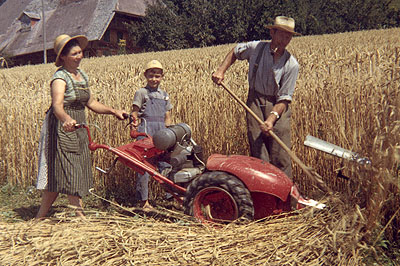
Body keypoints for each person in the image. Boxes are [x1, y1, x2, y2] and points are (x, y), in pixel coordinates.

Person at [35, 34, 128, 219]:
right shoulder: (60, 78)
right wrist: (66, 119)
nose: (79, 56)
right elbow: (57, 106)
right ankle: (80, 216)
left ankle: (40, 217)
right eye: (75, 54)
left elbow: (91, 102)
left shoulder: (81, 75)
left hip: (79, 124)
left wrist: (113, 110)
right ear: (63, 57)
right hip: (62, 126)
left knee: (61, 173)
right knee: (72, 170)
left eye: (80, 52)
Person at [212, 16, 301, 178]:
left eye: (288, 37)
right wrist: (221, 70)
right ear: (272, 33)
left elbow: (284, 99)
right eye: (281, 34)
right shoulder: (256, 48)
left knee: (280, 155)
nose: (285, 40)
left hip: (278, 107)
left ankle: (286, 200)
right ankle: (263, 196)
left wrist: (271, 119)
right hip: (254, 101)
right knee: (258, 152)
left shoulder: (291, 65)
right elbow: (235, 51)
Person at [131, 60, 173, 210]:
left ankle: (172, 197)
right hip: (146, 131)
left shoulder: (164, 95)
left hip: (161, 133)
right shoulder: (141, 93)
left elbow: (167, 116)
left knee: (165, 164)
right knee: (144, 167)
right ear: (145, 75)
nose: (154, 79)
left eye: (157, 76)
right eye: (151, 76)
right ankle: (144, 202)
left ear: (162, 77)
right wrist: (134, 125)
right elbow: (135, 112)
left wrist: (169, 132)